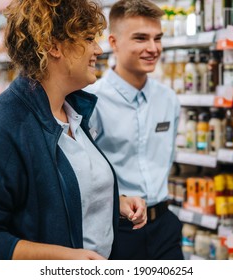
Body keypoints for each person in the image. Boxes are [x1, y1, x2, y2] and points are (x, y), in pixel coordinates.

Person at [0, 0, 146, 260]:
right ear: (53, 46)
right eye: (87, 38)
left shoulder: (74, 112)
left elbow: (54, 194)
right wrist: (64, 259)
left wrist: (111, 202)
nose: (98, 49)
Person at [86, 0, 183, 260]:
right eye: (140, 38)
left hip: (165, 226)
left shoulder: (169, 99)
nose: (152, 48)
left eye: (157, 38)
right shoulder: (91, 101)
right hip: (117, 230)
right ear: (114, 42)